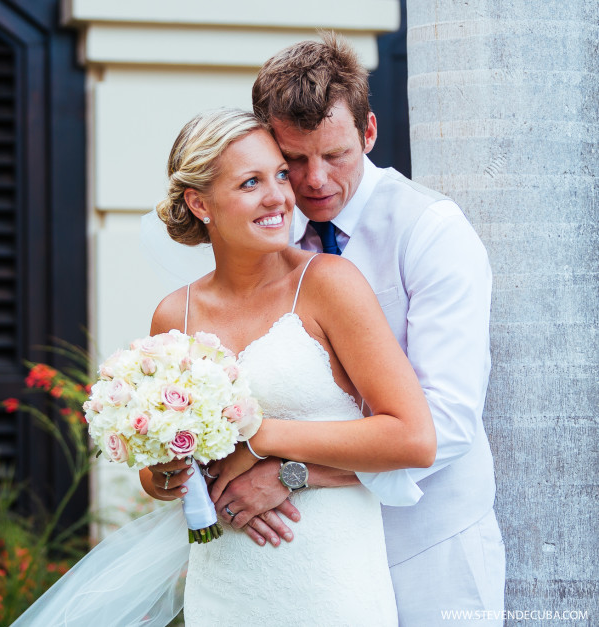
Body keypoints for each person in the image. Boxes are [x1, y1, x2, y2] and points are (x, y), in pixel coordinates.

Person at [210, 33, 505, 624]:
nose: (314, 180)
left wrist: (291, 475)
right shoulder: (267, 236)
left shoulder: (432, 231)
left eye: (335, 154)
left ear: (369, 132)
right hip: (313, 560)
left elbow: (445, 423)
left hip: (430, 547)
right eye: (293, 159)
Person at [139, 108, 436, 625]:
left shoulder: (329, 284)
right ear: (199, 203)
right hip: (224, 584)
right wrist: (165, 469)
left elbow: (412, 439)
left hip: (329, 583)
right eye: (251, 182)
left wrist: (261, 436)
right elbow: (155, 474)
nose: (279, 196)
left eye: (280, 174)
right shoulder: (174, 314)